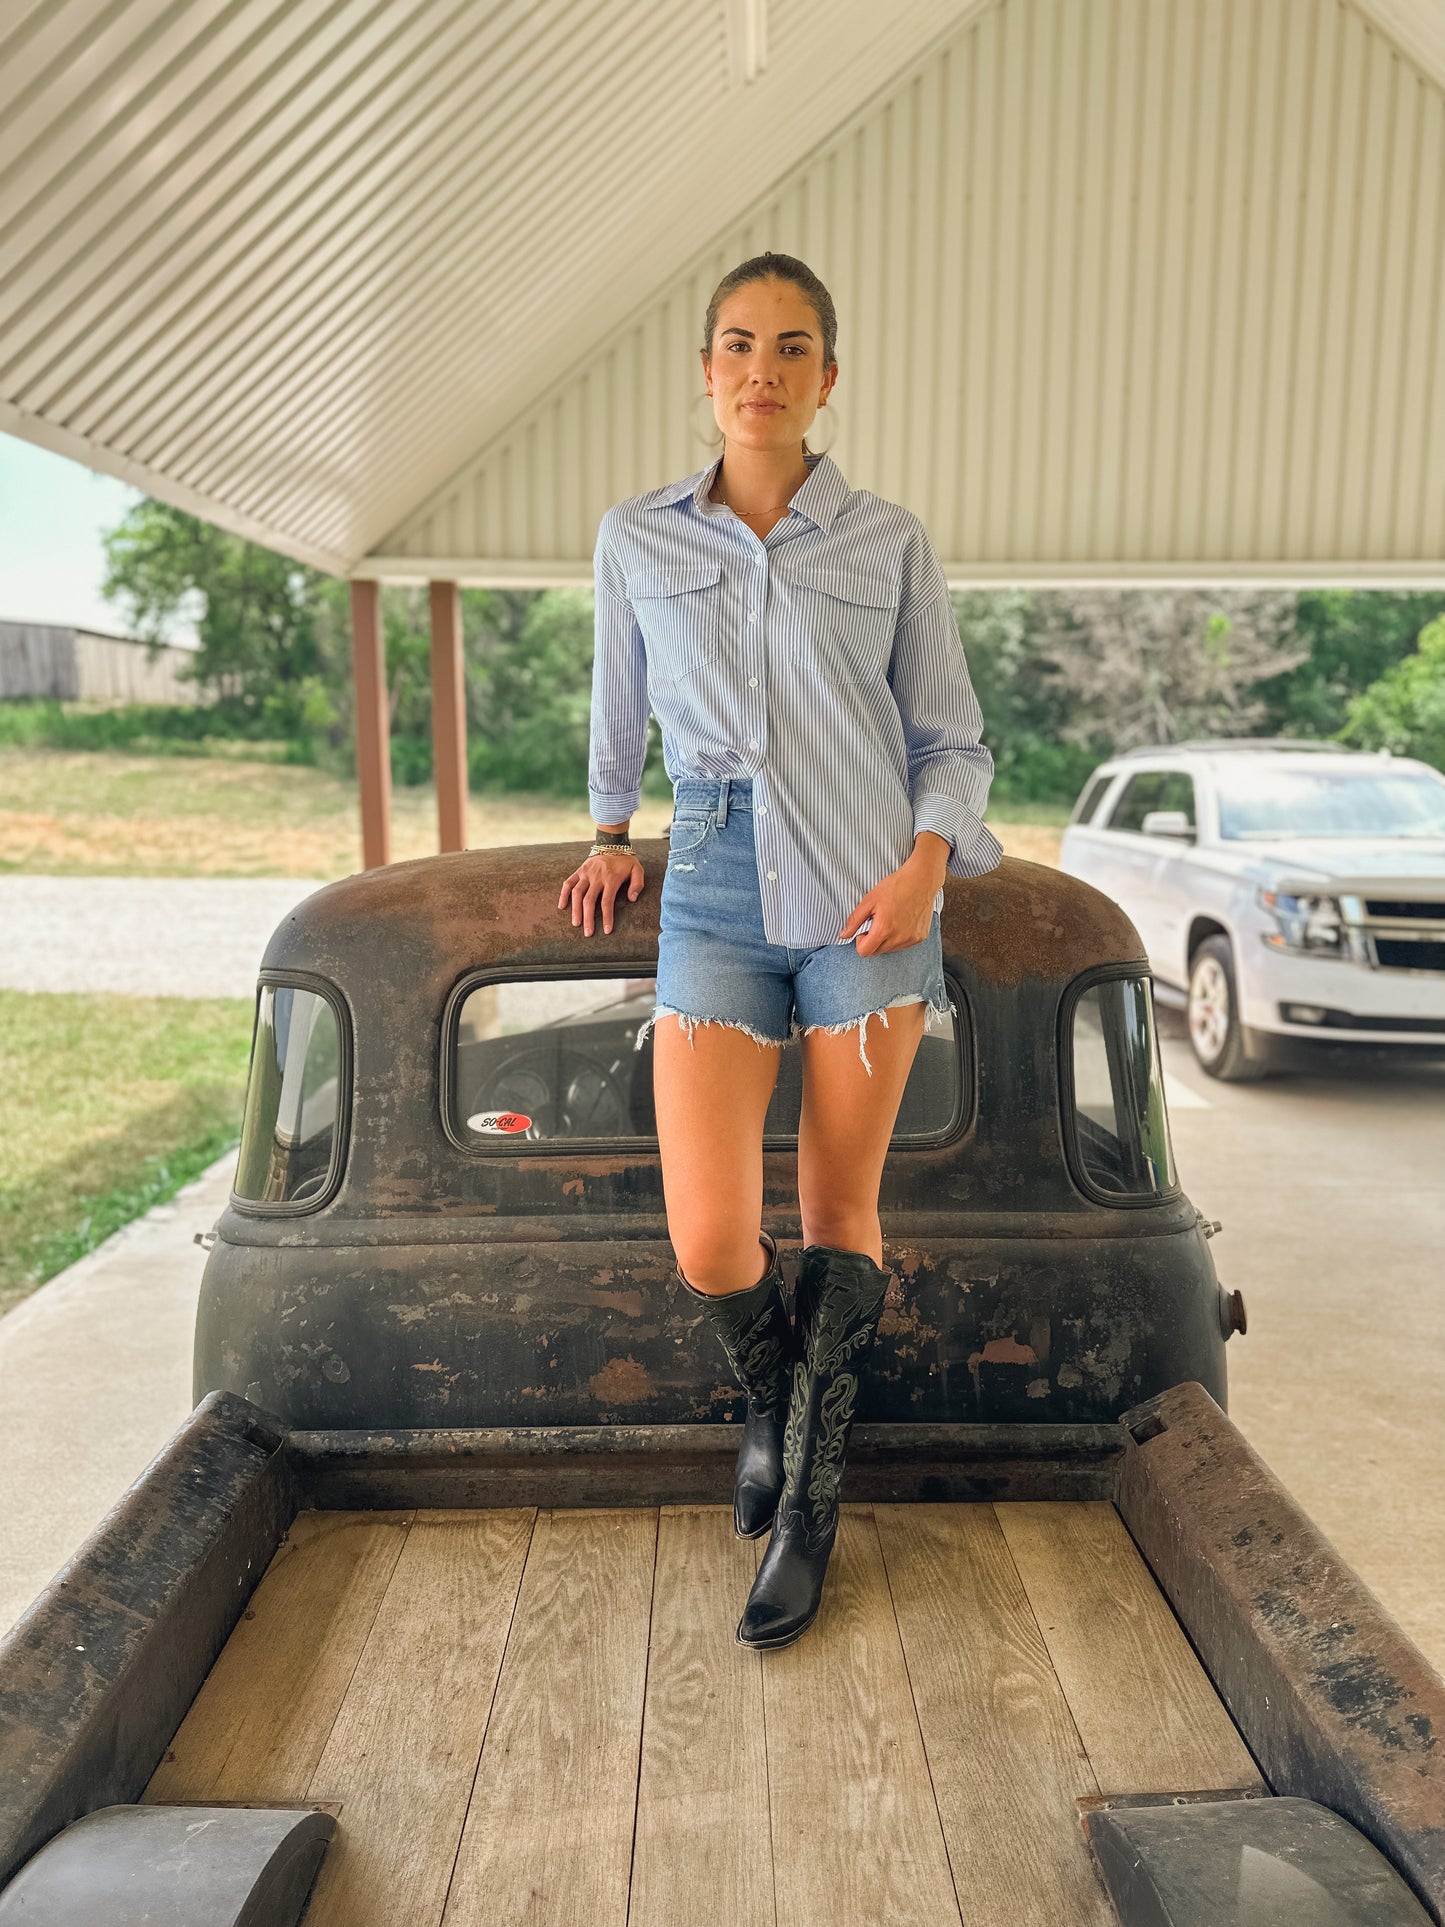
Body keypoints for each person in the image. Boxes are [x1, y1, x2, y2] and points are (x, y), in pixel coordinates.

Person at [557, 251, 1002, 1650]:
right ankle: (770, 1394)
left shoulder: (887, 542)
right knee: (706, 1238)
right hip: (711, 886)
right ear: (705, 372)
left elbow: (951, 739)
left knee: (836, 1219)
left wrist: (928, 868)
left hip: (872, 889)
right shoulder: (639, 539)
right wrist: (606, 829)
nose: (763, 369)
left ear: (826, 377)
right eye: (739, 344)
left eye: (792, 347)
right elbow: (614, 698)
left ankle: (805, 1513)